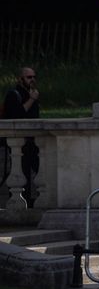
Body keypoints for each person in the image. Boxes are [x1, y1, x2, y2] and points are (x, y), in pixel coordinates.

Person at [3, 67, 41, 203]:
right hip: (20, 141)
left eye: (33, 76)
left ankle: (30, 200)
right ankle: (23, 201)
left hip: (33, 140)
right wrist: (31, 100)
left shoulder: (32, 93)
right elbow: (16, 115)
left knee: (37, 168)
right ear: (20, 79)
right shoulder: (14, 94)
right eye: (29, 77)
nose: (32, 80)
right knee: (22, 171)